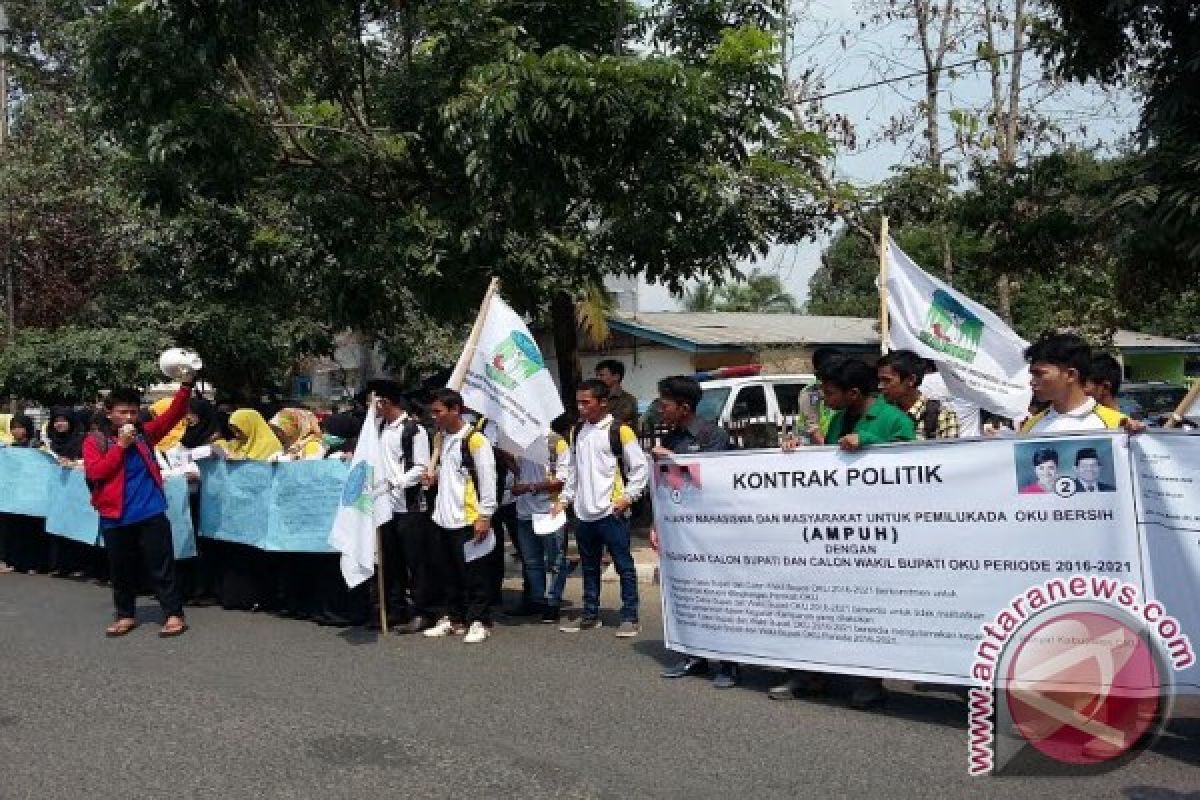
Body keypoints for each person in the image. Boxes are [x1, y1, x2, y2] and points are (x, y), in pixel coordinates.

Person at [774, 357, 915, 710]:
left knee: (868, 609)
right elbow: (829, 466)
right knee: (820, 604)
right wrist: (799, 453)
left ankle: (869, 680)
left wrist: (868, 442)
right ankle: (811, 674)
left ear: (853, 393)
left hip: (877, 532)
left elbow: (912, 468)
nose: (824, 398)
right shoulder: (836, 419)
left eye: (830, 392)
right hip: (835, 529)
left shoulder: (896, 420)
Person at [83, 379, 195, 638]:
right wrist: (121, 446)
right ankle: (125, 615)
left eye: (133, 412)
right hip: (115, 514)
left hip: (150, 510)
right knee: (121, 569)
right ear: (109, 413)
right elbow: (97, 471)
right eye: (122, 412)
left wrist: (186, 386)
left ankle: (173, 614)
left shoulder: (145, 433)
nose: (129, 417)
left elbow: (174, 415)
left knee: (161, 564)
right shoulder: (95, 441)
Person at [653, 376, 741, 688]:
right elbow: (667, 489)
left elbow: (713, 483)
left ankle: (729, 663)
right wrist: (658, 525)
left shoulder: (712, 435)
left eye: (664, 405)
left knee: (721, 596)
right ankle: (695, 656)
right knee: (691, 594)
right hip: (683, 533)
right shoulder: (672, 438)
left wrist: (673, 462)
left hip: (714, 532)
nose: (659, 410)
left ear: (684, 406)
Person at [555, 378, 649, 638]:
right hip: (584, 513)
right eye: (578, 402)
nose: (581, 407)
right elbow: (573, 471)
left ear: (603, 403)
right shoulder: (577, 432)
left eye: (587, 402)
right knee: (588, 566)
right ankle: (590, 613)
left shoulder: (620, 431)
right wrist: (565, 499)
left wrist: (627, 497)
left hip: (611, 513)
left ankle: (630, 616)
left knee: (624, 566)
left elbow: (640, 467)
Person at [422, 389, 497, 644]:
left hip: (468, 516)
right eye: (432, 412)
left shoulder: (476, 440)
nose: (434, 417)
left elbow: (488, 479)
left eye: (438, 411)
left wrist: (485, 515)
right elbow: (449, 471)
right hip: (443, 517)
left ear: (455, 410)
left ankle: (479, 620)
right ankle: (453, 617)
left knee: (475, 573)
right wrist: (433, 475)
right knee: (447, 572)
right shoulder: (440, 439)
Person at [372, 381, 436, 634]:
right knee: (392, 560)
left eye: (375, 402)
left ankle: (424, 611)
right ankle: (396, 609)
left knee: (416, 561)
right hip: (385, 506)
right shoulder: (378, 429)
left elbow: (420, 467)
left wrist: (395, 483)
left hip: (409, 506)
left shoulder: (413, 430)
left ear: (387, 402)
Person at [511, 424, 572, 623]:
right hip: (524, 512)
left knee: (555, 560)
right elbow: (517, 470)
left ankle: (553, 602)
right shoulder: (519, 442)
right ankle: (539, 600)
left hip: (549, 510)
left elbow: (563, 479)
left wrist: (529, 487)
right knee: (532, 562)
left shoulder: (556, 443)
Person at [877, 350, 960, 440]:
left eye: (887, 380)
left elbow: (950, 452)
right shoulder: (879, 414)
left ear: (911, 380)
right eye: (880, 380)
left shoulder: (943, 416)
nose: (880, 386)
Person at [219, 409, 284, 460]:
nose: (236, 435)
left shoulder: (270, 445)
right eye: (234, 432)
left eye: (239, 431)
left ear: (251, 427)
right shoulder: (239, 443)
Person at [595, 359, 639, 429]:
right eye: (597, 375)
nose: (598, 379)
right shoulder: (597, 397)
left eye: (601, 375)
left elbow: (614, 423)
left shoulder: (628, 400)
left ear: (616, 377)